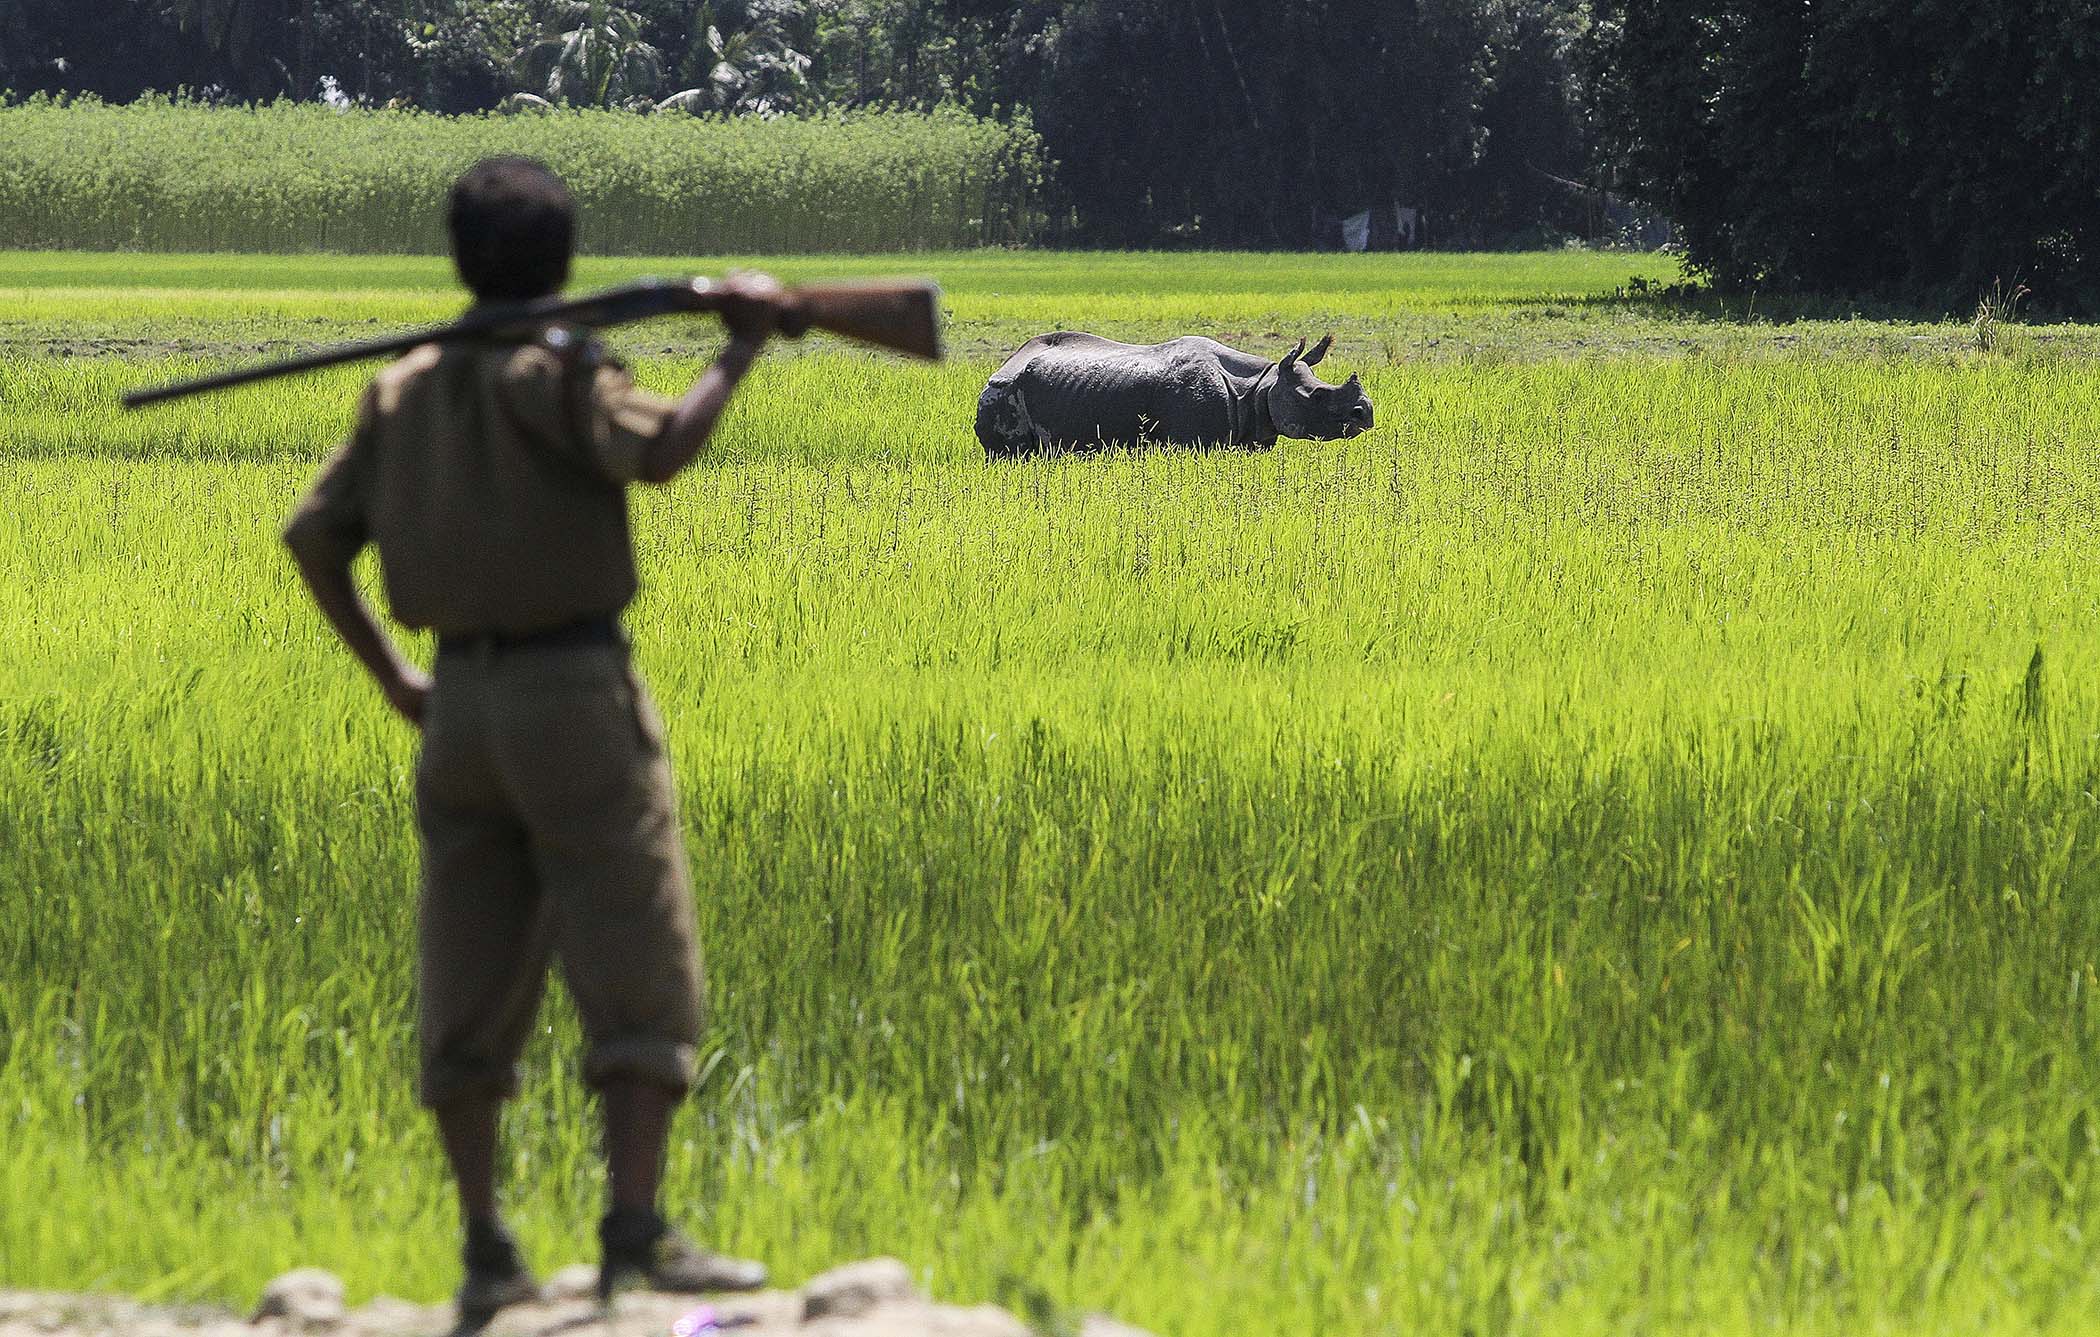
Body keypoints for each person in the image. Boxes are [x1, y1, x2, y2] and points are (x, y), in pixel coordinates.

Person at [281, 156, 778, 1319]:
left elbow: (313, 537)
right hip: (572, 692)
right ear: (563, 260)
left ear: (462, 260)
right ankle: (635, 1234)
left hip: (457, 707)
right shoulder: (554, 370)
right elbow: (657, 450)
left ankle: (484, 1248)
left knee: (468, 963)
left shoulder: (404, 385)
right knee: (634, 946)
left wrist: (400, 679)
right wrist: (740, 350)